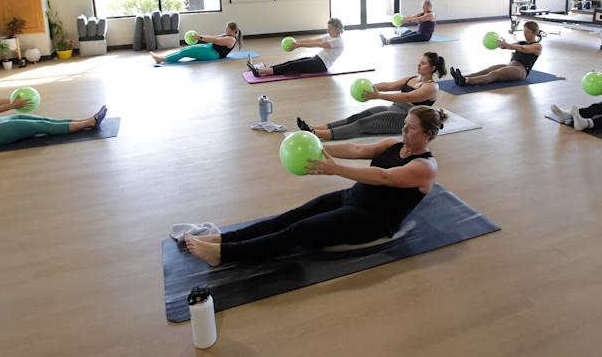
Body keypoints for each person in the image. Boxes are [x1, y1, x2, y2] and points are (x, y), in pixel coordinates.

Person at [184, 105, 444, 266]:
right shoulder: (393, 145)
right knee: (291, 215)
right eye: (404, 126)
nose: (403, 131)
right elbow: (356, 148)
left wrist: (335, 169)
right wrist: (317, 147)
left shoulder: (424, 168)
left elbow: (383, 177)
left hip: (371, 220)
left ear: (428, 135)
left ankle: (223, 254)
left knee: (300, 230)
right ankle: (221, 238)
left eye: (410, 129)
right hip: (352, 197)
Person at [298, 52, 447, 140]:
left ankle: (315, 134)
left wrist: (378, 96)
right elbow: (389, 85)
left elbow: (406, 98)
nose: (418, 65)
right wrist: (371, 87)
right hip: (393, 108)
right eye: (419, 62)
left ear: (432, 68)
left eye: (423, 63)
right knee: (355, 117)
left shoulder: (431, 87)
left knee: (362, 124)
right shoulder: (413, 78)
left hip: (405, 119)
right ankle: (314, 127)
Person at [450, 20, 544, 86]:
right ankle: (461, 77)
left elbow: (523, 49)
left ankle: (467, 81)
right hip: (509, 65)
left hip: (520, 71)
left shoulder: (537, 46)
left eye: (527, 32)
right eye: (524, 31)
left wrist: (507, 45)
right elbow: (510, 46)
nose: (525, 34)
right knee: (486, 70)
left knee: (495, 74)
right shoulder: (521, 42)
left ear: (534, 33)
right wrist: (502, 44)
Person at [248, 17, 345, 76]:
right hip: (317, 59)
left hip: (321, 65)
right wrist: (296, 42)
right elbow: (313, 40)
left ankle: (260, 72)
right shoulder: (329, 36)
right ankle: (264, 69)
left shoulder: (338, 42)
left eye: (330, 28)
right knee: (291, 62)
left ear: (336, 29)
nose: (328, 30)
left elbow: (318, 44)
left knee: (292, 66)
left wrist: (299, 45)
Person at [151, 21, 242, 63]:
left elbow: (215, 40)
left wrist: (199, 37)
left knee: (185, 52)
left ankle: (162, 59)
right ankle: (162, 57)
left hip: (213, 54)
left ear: (233, 30)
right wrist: (199, 36)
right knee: (184, 49)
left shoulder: (231, 40)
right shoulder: (228, 35)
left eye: (228, 28)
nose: (226, 29)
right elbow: (213, 37)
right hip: (209, 48)